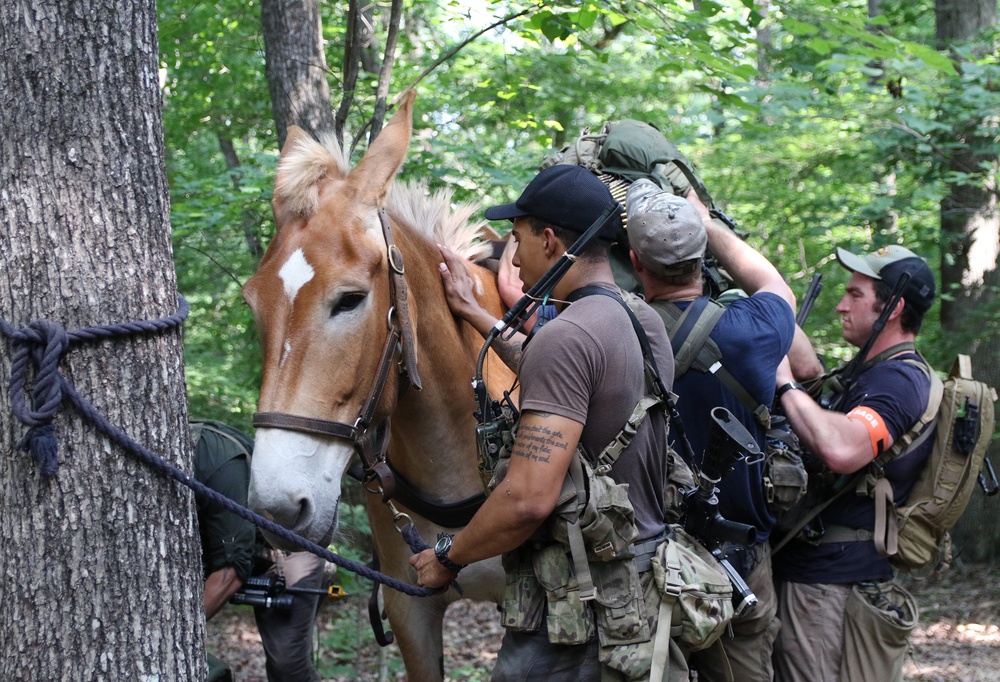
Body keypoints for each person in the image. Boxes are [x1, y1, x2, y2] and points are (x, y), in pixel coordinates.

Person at [409, 164, 682, 680]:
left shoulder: (568, 337)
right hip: (649, 589)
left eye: (518, 238)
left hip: (581, 611)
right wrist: (474, 311)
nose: (513, 257)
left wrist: (449, 556)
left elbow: (527, 498)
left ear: (550, 241)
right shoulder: (641, 320)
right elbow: (572, 374)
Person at [625, 179, 796, 681]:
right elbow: (773, 285)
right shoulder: (754, 330)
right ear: (703, 260)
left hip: (648, 566)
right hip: (741, 562)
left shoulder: (613, 333)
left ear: (636, 263)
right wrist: (707, 223)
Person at [769, 245, 937, 681]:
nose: (842, 304)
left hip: (828, 585)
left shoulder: (898, 381)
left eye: (855, 294)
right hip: (820, 575)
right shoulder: (870, 371)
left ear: (894, 308)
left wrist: (784, 384)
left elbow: (842, 450)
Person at [192, 419, 325, 682]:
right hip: (244, 553)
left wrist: (177, 633)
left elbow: (230, 570)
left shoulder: (217, 460)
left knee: (288, 667)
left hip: (290, 552)